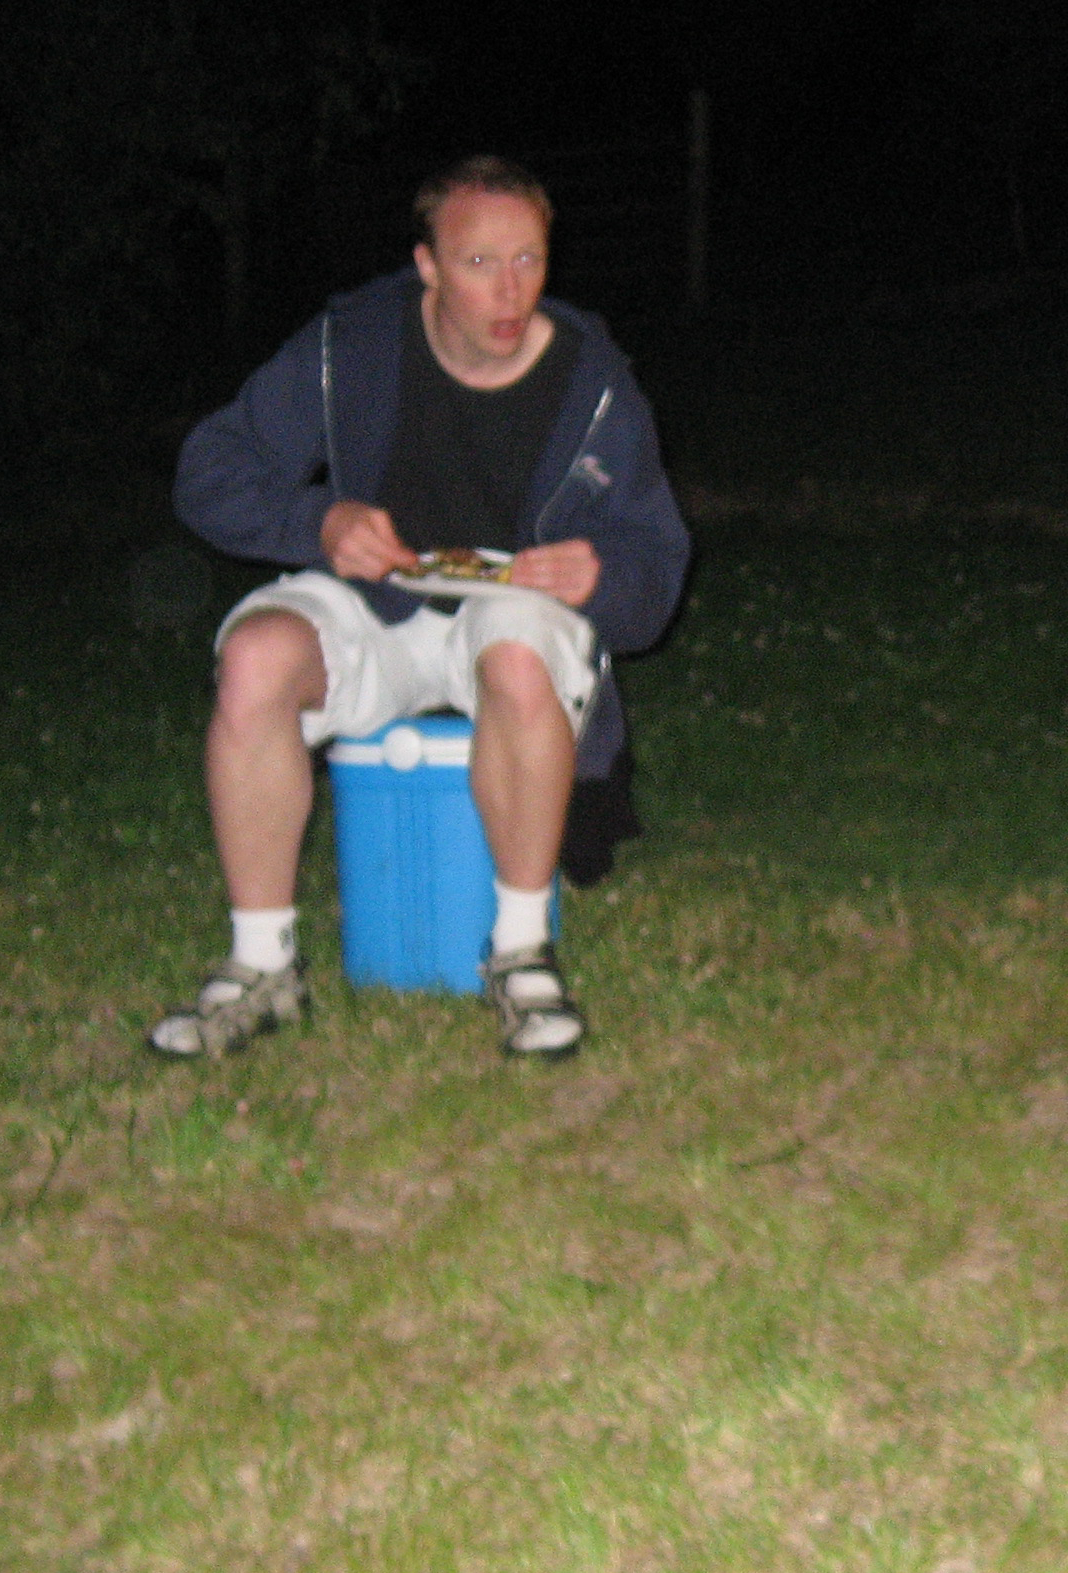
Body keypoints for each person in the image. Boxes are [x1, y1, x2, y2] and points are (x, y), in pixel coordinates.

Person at [154, 155, 689, 1063]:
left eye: (528, 259)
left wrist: (599, 573)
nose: (510, 290)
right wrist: (319, 522)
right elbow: (208, 471)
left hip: (514, 615)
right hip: (379, 599)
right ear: (428, 265)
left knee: (516, 652)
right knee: (255, 656)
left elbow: (656, 575)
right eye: (479, 263)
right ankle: (261, 966)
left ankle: (521, 955)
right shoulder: (353, 345)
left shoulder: (593, 381)